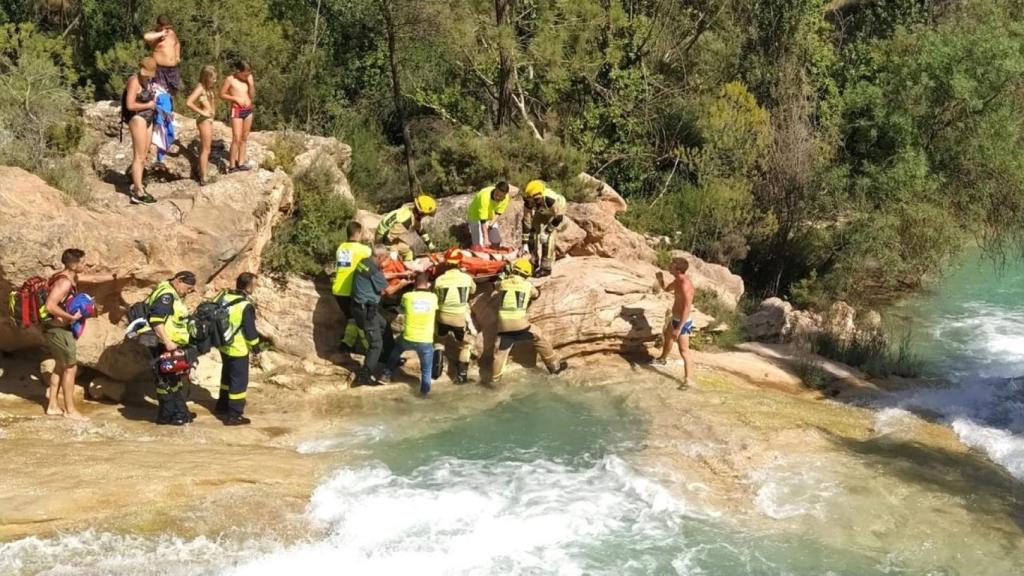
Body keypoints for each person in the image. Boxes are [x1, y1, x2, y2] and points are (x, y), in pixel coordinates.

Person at [41, 249, 123, 420]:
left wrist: (116, 277)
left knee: (59, 366)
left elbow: (93, 279)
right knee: (71, 368)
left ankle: (53, 406)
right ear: (73, 264)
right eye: (82, 262)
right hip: (59, 330)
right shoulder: (64, 283)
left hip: (56, 329)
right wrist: (70, 317)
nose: (85, 265)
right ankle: (70, 411)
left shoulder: (68, 277)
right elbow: (50, 306)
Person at [490, 258, 567, 382]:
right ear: (527, 273)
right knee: (538, 336)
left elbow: (496, 285)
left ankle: (495, 380)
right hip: (519, 324)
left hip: (503, 325)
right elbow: (536, 294)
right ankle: (554, 365)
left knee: (501, 353)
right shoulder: (527, 285)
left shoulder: (504, 283)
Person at [138, 271, 197, 425]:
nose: (189, 291)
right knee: (166, 381)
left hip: (167, 345)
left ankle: (177, 413)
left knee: (172, 379)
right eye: (188, 287)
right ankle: (170, 415)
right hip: (164, 345)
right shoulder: (167, 295)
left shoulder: (170, 292)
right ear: (178, 280)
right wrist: (168, 341)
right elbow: (156, 319)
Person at [350, 245, 413, 386]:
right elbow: (389, 291)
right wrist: (403, 283)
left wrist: (399, 275)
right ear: (379, 257)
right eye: (385, 258)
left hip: (360, 306)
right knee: (376, 344)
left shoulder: (364, 262)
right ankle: (364, 376)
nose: (386, 261)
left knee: (385, 327)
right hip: (366, 311)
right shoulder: (373, 270)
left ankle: (389, 358)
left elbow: (382, 276)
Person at [213, 273, 261, 426]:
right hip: (237, 348)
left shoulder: (224, 296)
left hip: (223, 345)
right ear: (248, 286)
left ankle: (222, 406)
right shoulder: (245, 306)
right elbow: (250, 331)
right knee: (239, 382)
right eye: (255, 284)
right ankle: (234, 415)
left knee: (227, 376)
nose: (256, 287)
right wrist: (256, 347)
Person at [380, 273, 439, 396]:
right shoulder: (434, 298)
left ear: (414, 283)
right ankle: (424, 394)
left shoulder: (407, 296)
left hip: (408, 337)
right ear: (428, 284)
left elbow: (401, 310)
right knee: (426, 370)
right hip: (426, 340)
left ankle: (385, 375)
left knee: (395, 351)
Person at [651, 256, 696, 389]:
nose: (669, 266)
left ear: (678, 269)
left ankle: (688, 380)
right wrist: (660, 279)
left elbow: (687, 308)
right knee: (667, 336)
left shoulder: (685, 285)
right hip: (675, 318)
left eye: (672, 265)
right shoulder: (677, 281)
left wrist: (679, 328)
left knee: (684, 351)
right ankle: (662, 359)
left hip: (683, 321)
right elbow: (666, 289)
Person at [433, 249, 477, 383]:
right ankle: (461, 376)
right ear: (460, 263)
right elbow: (473, 290)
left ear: (446, 263)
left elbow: (435, 294)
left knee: (439, 341)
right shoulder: (466, 278)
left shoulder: (439, 279)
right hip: (459, 318)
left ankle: (436, 371)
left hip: (442, 316)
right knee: (466, 344)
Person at [332, 221, 373, 352]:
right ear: (358, 233)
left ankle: (346, 344)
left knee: (351, 318)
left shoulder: (341, 248)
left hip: (338, 290)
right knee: (361, 320)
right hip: (352, 291)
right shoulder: (363, 250)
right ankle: (369, 348)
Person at [123, 57, 159, 205]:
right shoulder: (134, 81)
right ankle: (138, 191)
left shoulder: (148, 82)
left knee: (144, 155)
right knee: (138, 156)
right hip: (138, 118)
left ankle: (139, 185)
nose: (146, 76)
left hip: (148, 119)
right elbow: (130, 105)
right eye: (145, 73)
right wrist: (149, 105)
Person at [521, 179, 568, 277]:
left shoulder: (550, 199)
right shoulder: (529, 203)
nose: (533, 203)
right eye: (531, 200)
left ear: (540, 195)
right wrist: (524, 243)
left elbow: (558, 217)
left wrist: (547, 231)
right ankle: (533, 261)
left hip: (555, 214)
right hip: (542, 211)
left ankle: (546, 267)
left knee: (548, 238)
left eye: (536, 199)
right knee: (533, 232)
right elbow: (526, 222)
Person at [376, 195, 437, 261]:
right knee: (393, 261)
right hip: (382, 238)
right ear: (421, 213)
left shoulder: (411, 214)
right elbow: (387, 237)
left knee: (408, 252)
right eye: (426, 214)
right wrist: (393, 254)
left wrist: (430, 246)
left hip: (389, 237)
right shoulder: (406, 221)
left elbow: (420, 230)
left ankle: (408, 266)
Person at [220, 60, 255, 173]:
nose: (247, 76)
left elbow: (252, 95)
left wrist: (251, 84)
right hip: (237, 110)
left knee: (244, 137)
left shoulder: (248, 79)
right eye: (245, 74)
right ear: (238, 71)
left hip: (248, 110)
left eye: (248, 74)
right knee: (236, 137)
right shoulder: (230, 79)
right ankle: (231, 165)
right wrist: (235, 98)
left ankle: (241, 162)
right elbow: (221, 94)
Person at [185, 65, 218, 186]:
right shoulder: (200, 88)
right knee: (205, 149)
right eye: (213, 78)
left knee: (207, 148)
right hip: (203, 120)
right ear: (207, 77)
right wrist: (202, 112)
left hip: (209, 120)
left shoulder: (207, 89)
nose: (215, 81)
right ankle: (203, 177)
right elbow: (189, 102)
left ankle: (204, 174)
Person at [143, 15, 181, 97]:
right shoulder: (154, 35)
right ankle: (160, 109)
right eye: (163, 28)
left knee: (173, 92)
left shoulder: (171, 33)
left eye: (167, 28)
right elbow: (146, 37)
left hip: (173, 69)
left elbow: (177, 43)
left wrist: (177, 56)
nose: (165, 30)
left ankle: (169, 108)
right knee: (160, 93)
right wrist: (160, 34)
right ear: (158, 25)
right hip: (160, 69)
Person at [467, 181, 510, 250]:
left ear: (505, 194)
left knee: (496, 241)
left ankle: (493, 256)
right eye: (496, 194)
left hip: (490, 216)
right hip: (475, 216)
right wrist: (486, 238)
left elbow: (498, 213)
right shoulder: (484, 196)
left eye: (501, 196)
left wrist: (490, 226)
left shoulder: (506, 198)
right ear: (495, 189)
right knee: (479, 246)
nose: (498, 197)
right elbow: (483, 221)